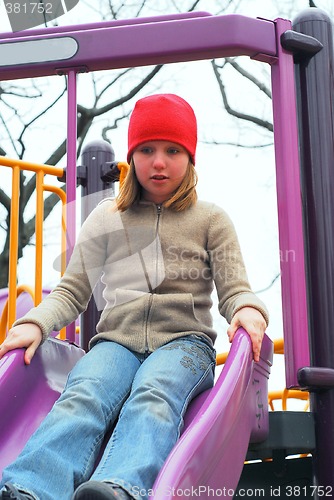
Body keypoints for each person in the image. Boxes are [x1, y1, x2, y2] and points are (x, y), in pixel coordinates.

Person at [0, 94, 269, 500]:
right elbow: (72, 291)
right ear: (133, 155)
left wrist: (249, 309)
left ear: (190, 157)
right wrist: (35, 322)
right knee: (84, 392)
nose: (158, 162)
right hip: (115, 342)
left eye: (172, 150)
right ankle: (31, 486)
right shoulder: (107, 218)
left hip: (183, 344)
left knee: (155, 394)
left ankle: (121, 486)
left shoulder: (211, 219)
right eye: (146, 150)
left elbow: (235, 290)